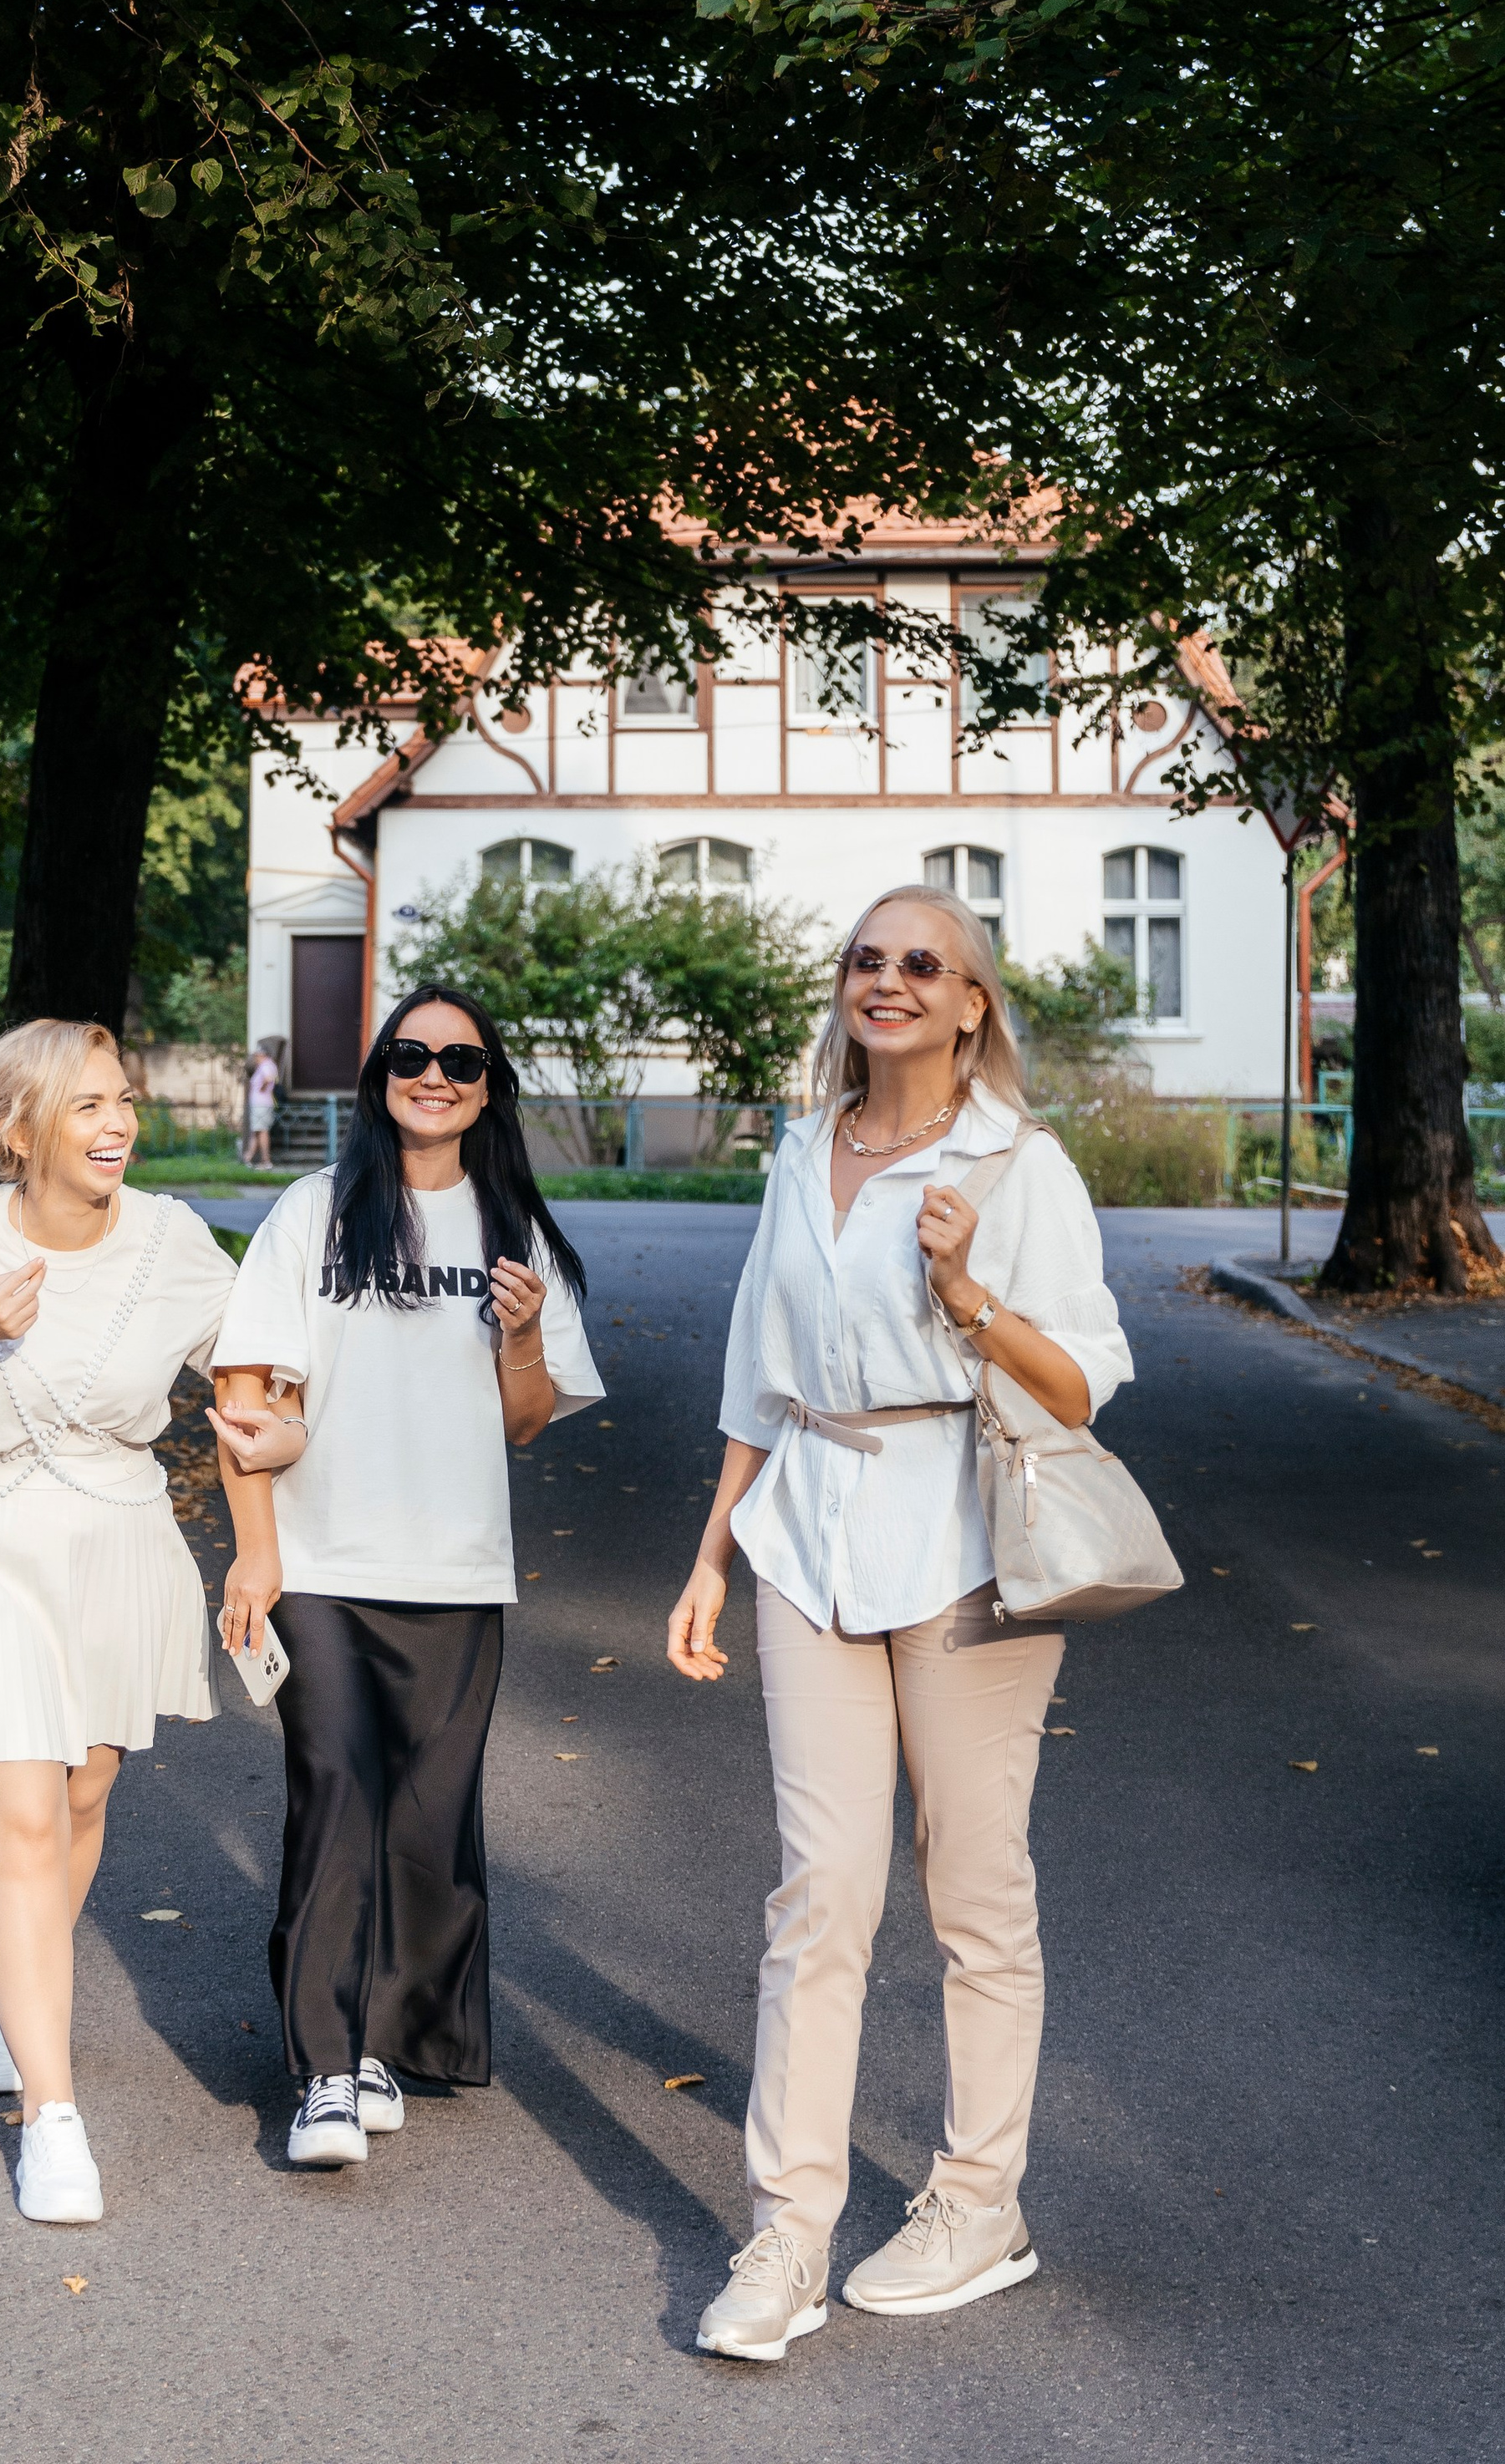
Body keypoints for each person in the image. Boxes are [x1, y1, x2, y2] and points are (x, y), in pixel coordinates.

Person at [667, 886, 1133, 2360]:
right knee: (821, 1893)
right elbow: (759, 1367)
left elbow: (1083, 1385)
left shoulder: (1021, 1165)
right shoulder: (804, 1150)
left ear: (972, 1002)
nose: (889, 981)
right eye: (868, 959)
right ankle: (786, 2235)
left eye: (922, 964)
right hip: (807, 1530)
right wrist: (710, 1558)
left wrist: (964, 1289)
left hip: (962, 1539)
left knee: (975, 1890)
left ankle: (977, 2203)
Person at [206, 983, 607, 2167]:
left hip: (458, 1568)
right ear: (380, 1072)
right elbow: (247, 1393)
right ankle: (326, 2071)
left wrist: (523, 1337)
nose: (435, 1075)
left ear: (491, 1091)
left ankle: (383, 2042)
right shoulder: (314, 1212)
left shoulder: (513, 1234)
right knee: (337, 1787)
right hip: (322, 1559)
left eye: (464, 1062)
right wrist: (258, 1550)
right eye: (412, 1054)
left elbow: (526, 1423)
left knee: (428, 1819)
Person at [0, 1019, 237, 2227]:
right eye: (85, 1106)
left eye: (121, 1100)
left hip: (119, 1551)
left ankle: (13, 2012)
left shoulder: (175, 1243)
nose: (117, 1122)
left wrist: (276, 1433)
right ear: (18, 1133)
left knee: (80, 1802)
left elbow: (262, 1371)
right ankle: (52, 2119)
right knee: (22, 1819)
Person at [242, 1039, 281, 1170]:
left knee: (262, 1130)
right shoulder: (267, 1065)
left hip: (261, 1104)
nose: (256, 1058)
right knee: (257, 1131)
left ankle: (266, 1160)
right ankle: (248, 1158)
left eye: (257, 1055)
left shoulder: (266, 1066)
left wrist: (263, 1088)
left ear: (262, 1055)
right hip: (260, 1104)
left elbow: (269, 1078)